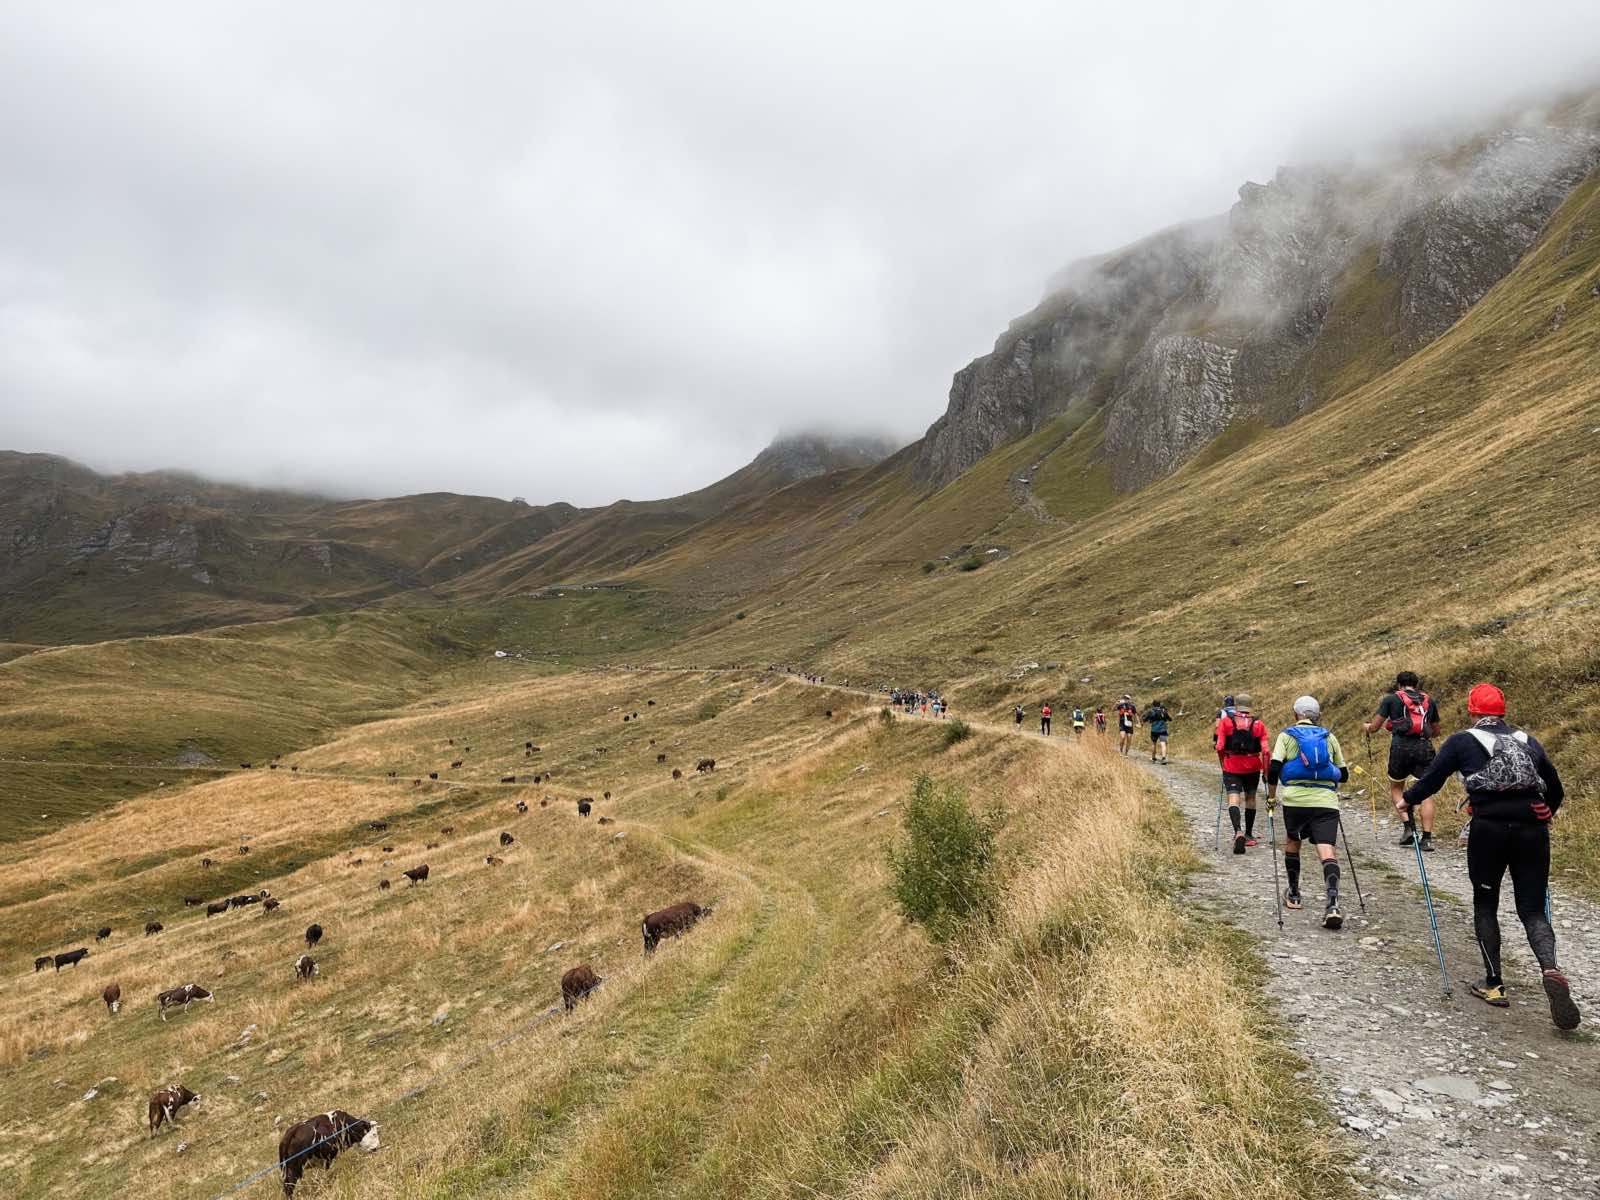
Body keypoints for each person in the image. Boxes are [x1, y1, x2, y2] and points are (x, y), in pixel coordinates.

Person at [1402, 683, 1577, 1028]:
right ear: (1503, 711)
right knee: (1532, 908)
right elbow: (1554, 787)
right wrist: (1546, 812)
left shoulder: (1462, 740)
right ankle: (1550, 968)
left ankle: (1494, 983)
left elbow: (1432, 780)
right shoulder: (1527, 740)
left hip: (1489, 828)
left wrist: (1406, 799)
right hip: (1532, 829)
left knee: (1486, 902)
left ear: (1472, 711)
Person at [1265, 696, 1349, 930]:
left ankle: (1293, 894)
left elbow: (1274, 769)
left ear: (1296, 715)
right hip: (1326, 801)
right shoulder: (1328, 737)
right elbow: (1343, 774)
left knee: (1293, 841)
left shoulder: (1286, 735)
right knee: (1327, 849)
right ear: (1317, 715)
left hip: (1295, 799)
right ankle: (1332, 904)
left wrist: (1272, 798)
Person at [1362, 671, 1441, 851]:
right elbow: (1436, 731)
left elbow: (1374, 727)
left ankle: (1408, 827)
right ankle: (1427, 838)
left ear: (1399, 685)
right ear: (1416, 684)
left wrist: (1366, 727)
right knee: (1426, 792)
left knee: (1397, 787)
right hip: (1424, 747)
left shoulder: (1391, 700)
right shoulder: (1429, 701)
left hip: (1400, 748)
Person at [1215, 694, 1270, 853]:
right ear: (1250, 707)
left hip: (1231, 766)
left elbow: (1219, 747)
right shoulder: (1259, 724)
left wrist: (1223, 764)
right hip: (1252, 767)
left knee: (1234, 798)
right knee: (1251, 798)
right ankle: (1249, 835)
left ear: (1237, 706)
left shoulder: (1226, 722)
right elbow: (1266, 751)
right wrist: (1265, 772)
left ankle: (1237, 831)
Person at [1143, 698, 1171, 763]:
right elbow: (1169, 719)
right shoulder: (1163, 711)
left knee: (1154, 744)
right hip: (1163, 729)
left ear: (1153, 705)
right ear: (1159, 704)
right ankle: (1164, 758)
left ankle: (1153, 758)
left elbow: (1145, 720)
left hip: (1154, 730)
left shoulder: (1151, 711)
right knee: (1163, 743)